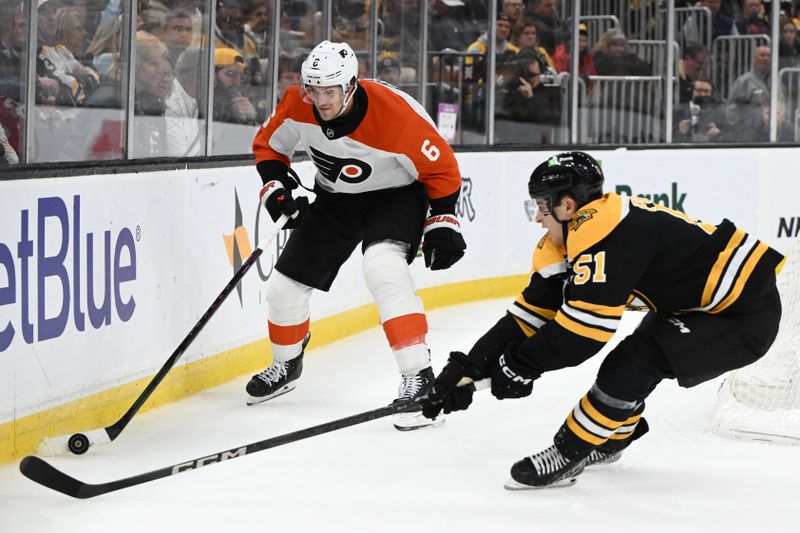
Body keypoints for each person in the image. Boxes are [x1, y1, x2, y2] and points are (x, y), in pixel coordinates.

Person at [422, 151, 785, 489]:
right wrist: (468, 366)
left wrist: (518, 366)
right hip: (696, 306)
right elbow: (528, 314)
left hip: (743, 315)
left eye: (540, 206)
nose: (535, 217)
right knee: (635, 362)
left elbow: (583, 334)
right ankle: (613, 438)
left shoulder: (603, 232)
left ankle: (570, 452)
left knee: (635, 362)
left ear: (567, 205)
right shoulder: (573, 234)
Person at [249, 40, 465, 431]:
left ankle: (418, 375)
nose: (320, 100)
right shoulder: (298, 105)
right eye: (313, 90)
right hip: (335, 198)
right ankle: (286, 363)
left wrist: (443, 221)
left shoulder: (395, 115)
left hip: (395, 197)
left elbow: (443, 170)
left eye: (330, 91)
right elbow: (269, 147)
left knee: (382, 269)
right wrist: (277, 189)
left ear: (351, 86)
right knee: (283, 289)